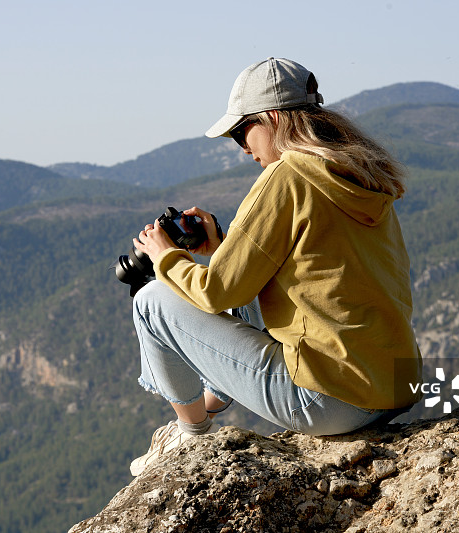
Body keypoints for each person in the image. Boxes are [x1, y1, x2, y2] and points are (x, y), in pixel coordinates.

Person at [129, 57, 422, 476]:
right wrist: (224, 248)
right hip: (394, 385)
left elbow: (218, 294)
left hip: (329, 401)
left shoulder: (287, 176)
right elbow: (313, 272)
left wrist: (166, 258)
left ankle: (189, 436)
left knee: (152, 300)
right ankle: (212, 404)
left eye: (239, 132)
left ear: (270, 118)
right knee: (243, 286)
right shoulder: (359, 173)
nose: (245, 148)